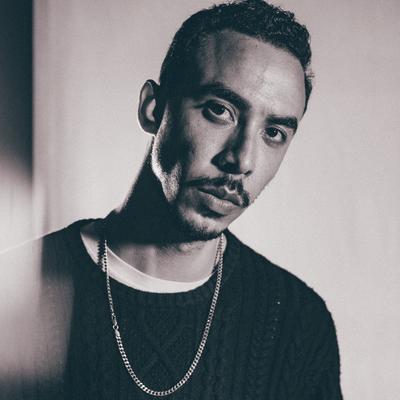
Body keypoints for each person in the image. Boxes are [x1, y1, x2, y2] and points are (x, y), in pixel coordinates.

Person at [0, 0, 342, 398]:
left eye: (274, 133)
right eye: (220, 110)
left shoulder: (297, 324)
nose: (242, 160)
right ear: (153, 108)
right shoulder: (14, 292)